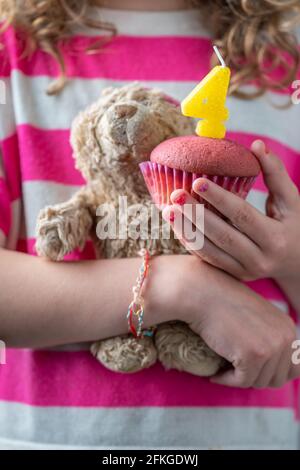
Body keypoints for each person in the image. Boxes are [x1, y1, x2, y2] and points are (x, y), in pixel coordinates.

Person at [0, 0, 299, 450]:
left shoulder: (284, 60)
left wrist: (294, 263)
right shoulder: (12, 53)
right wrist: (184, 289)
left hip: (255, 438)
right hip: (49, 439)